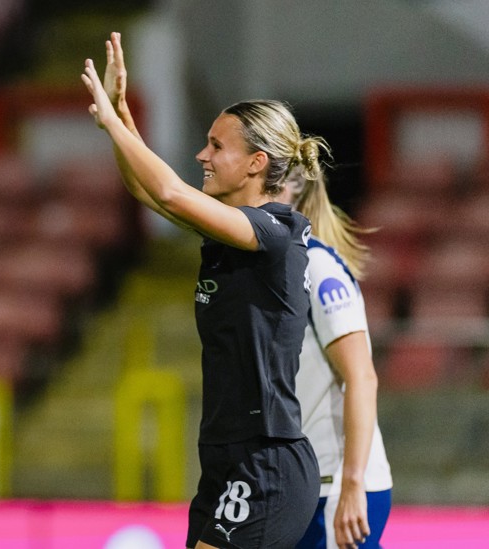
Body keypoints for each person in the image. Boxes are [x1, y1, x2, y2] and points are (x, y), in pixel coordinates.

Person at [82, 33, 322, 548]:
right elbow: (150, 193)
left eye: (216, 145)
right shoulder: (231, 233)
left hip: (266, 463)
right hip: (225, 456)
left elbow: (168, 189)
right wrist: (124, 115)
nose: (201, 154)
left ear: (257, 163)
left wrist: (110, 120)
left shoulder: (276, 233)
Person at [278, 169, 393, 549]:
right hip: (299, 485)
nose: (204, 157)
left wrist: (352, 484)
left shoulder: (318, 267)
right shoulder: (275, 268)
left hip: (333, 487)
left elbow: (361, 377)